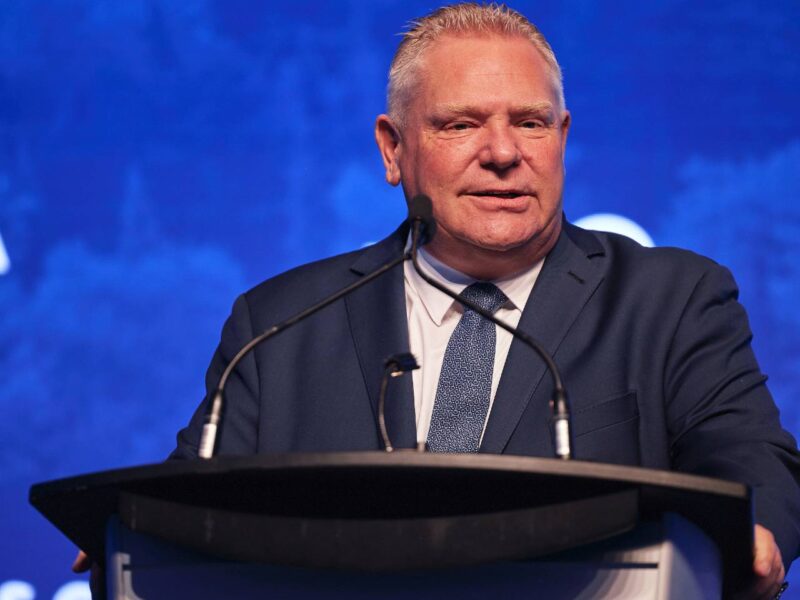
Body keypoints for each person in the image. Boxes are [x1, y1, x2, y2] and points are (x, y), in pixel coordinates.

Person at [75, 3, 799, 598]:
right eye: (461, 124)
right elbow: (194, 500)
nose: (503, 152)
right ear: (393, 150)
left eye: (530, 122)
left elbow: (751, 456)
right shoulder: (278, 326)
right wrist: (136, 539)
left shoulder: (668, 299)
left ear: (563, 137)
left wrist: (755, 530)